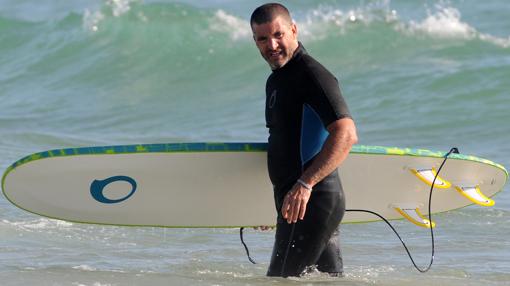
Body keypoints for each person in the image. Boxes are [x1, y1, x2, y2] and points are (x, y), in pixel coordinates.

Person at [250, 3, 358, 277]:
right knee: (327, 281)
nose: (272, 45)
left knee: (280, 281)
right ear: (255, 41)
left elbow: (346, 133)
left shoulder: (311, 75)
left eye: (278, 35)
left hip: (314, 201)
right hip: (299, 204)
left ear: (293, 30)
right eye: (263, 39)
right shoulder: (276, 81)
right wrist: (277, 204)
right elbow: (286, 146)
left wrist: (305, 184)